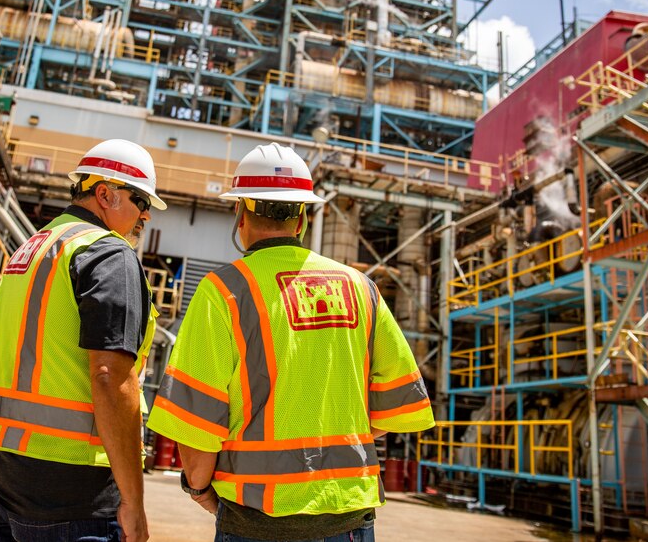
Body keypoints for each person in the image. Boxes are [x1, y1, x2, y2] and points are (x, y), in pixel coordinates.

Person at [148, 142, 435, 542]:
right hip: (349, 517)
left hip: (255, 521)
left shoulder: (224, 291)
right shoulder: (361, 288)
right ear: (302, 217)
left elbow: (196, 425)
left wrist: (198, 488)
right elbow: (397, 406)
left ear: (240, 212)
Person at [0, 138, 167, 542]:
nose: (146, 213)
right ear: (104, 193)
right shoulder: (108, 254)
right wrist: (133, 499)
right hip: (65, 479)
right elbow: (110, 377)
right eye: (141, 199)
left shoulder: (33, 246)